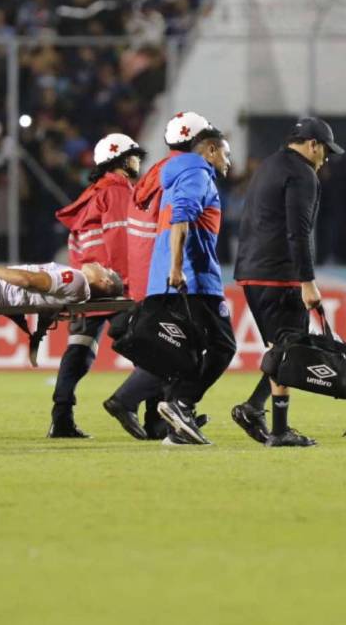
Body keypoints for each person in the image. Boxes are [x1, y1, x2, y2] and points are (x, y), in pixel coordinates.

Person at [231, 117, 344, 448]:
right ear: (313, 145)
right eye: (325, 151)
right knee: (290, 348)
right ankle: (277, 428)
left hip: (251, 270)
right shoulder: (302, 174)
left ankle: (255, 408)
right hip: (278, 273)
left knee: (281, 347)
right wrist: (306, 281)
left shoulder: (268, 166)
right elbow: (299, 232)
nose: (325, 159)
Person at [105, 111, 214, 441]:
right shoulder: (184, 173)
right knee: (181, 348)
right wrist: (176, 269)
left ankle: (163, 419)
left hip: (149, 272)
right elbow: (174, 224)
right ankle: (131, 402)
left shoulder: (157, 172)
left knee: (171, 345)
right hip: (164, 272)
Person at [47, 133, 145, 438]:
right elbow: (119, 241)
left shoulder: (91, 195)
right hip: (114, 286)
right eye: (135, 156)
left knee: (79, 350)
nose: (138, 161)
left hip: (88, 286)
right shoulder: (117, 192)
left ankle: (61, 418)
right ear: (123, 160)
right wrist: (131, 286)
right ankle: (157, 418)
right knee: (155, 350)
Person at [146, 127, 239, 446]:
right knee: (223, 346)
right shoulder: (198, 175)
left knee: (187, 353)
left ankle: (178, 428)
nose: (229, 160)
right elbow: (182, 220)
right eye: (226, 153)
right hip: (194, 281)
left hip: (168, 279)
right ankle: (182, 404)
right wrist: (176, 268)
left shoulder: (176, 177)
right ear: (211, 151)